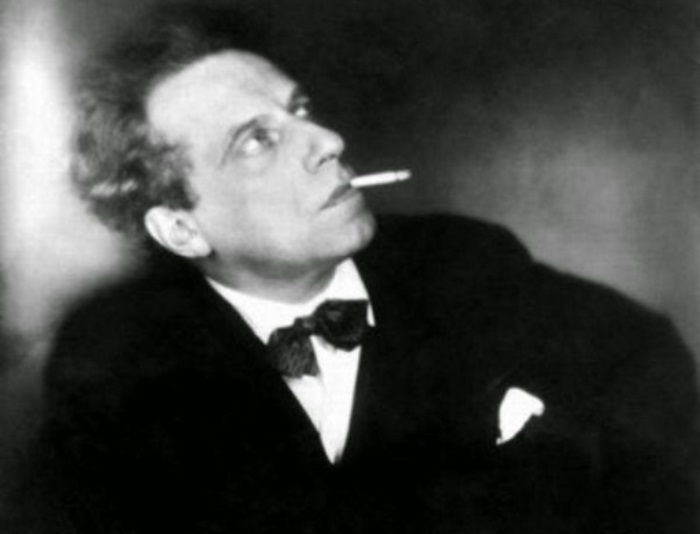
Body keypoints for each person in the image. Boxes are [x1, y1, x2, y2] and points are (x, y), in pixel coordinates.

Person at [30, 4, 698, 534]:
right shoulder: (117, 358)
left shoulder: (463, 265)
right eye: (257, 140)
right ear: (181, 228)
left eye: (298, 110)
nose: (328, 141)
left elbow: (648, 370)